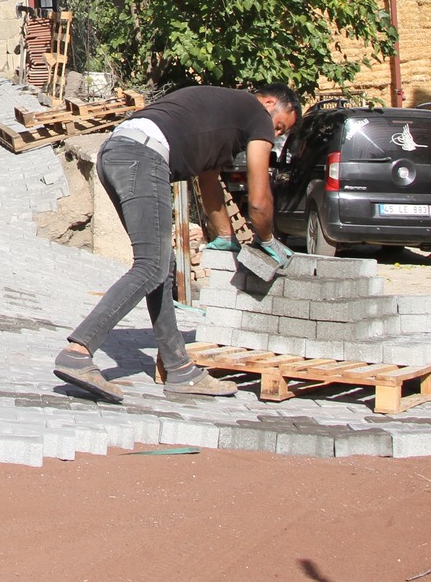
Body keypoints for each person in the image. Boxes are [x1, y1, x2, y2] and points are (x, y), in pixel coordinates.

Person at [53, 83, 301, 404]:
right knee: (152, 266)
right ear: (269, 104)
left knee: (161, 267)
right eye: (279, 126)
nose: (275, 135)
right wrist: (267, 240)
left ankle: (180, 369)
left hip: (118, 150)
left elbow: (209, 186)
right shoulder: (257, 115)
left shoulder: (222, 114)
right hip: (143, 156)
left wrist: (226, 239)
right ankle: (78, 351)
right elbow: (258, 199)